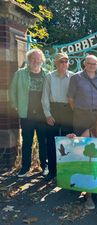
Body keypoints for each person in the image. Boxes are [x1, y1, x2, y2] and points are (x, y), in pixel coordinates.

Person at [9, 48, 48, 177]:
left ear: (42, 60)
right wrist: (16, 107)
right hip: (27, 114)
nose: (36, 61)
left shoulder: (47, 75)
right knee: (27, 142)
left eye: (38, 59)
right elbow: (12, 91)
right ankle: (25, 168)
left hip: (42, 115)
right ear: (29, 60)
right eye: (33, 59)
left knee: (43, 142)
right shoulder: (20, 74)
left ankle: (45, 167)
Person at [41, 53, 74, 181]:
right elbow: (44, 97)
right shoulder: (49, 77)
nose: (64, 64)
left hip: (68, 111)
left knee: (67, 142)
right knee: (51, 141)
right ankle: (52, 171)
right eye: (61, 61)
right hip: (54, 110)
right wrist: (48, 115)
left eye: (66, 61)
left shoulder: (73, 76)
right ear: (56, 63)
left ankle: (65, 171)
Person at [67, 55, 97, 135]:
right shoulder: (76, 77)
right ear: (84, 63)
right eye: (89, 63)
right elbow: (70, 98)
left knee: (96, 139)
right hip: (81, 116)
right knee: (80, 139)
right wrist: (78, 111)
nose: (92, 66)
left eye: (94, 64)